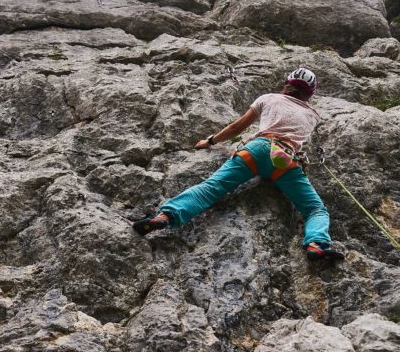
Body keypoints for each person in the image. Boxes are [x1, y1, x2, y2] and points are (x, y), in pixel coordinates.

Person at [132, 67, 344, 261]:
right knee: (315, 209)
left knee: (211, 188)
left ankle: (165, 216)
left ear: (286, 85)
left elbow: (236, 128)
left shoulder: (268, 98)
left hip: (256, 149)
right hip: (285, 160)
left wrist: (210, 141)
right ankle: (316, 244)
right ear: (310, 95)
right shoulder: (313, 115)